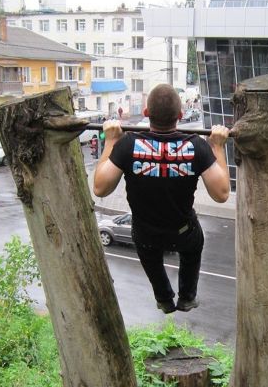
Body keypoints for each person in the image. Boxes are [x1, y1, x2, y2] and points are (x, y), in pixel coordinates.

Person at [93, 84, 230, 314]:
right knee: (194, 246)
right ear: (180, 115)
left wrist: (110, 141)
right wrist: (217, 146)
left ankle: (164, 298)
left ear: (146, 114)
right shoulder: (195, 145)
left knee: (148, 252)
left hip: (146, 233)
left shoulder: (128, 144)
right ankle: (187, 297)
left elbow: (99, 188)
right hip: (183, 231)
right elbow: (222, 194)